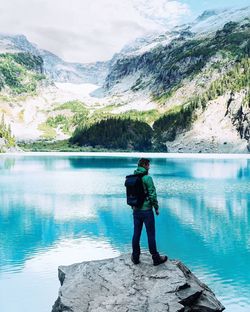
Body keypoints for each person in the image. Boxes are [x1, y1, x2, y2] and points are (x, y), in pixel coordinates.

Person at [131, 158, 168, 266]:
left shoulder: (133, 178)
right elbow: (152, 194)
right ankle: (156, 258)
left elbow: (131, 195)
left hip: (136, 210)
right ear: (145, 165)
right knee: (150, 235)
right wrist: (156, 207)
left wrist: (133, 207)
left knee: (136, 233)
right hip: (147, 211)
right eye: (148, 165)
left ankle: (135, 257)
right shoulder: (147, 178)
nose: (149, 167)